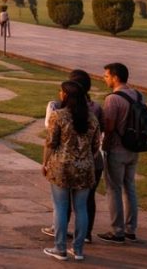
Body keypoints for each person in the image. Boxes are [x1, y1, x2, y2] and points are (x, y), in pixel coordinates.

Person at [42, 70, 103, 243]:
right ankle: (78, 248)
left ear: (67, 95)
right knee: (81, 208)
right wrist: (84, 158)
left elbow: (50, 143)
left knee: (61, 207)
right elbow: (96, 145)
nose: (60, 94)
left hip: (62, 167)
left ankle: (60, 247)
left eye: (62, 91)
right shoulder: (92, 118)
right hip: (86, 166)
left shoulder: (59, 115)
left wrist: (45, 163)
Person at [98, 62, 142, 244]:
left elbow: (109, 127)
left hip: (117, 149)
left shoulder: (113, 99)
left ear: (115, 77)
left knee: (114, 189)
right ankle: (131, 229)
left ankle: (117, 231)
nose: (104, 79)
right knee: (130, 187)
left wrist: (104, 146)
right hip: (134, 148)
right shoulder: (138, 95)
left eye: (106, 76)